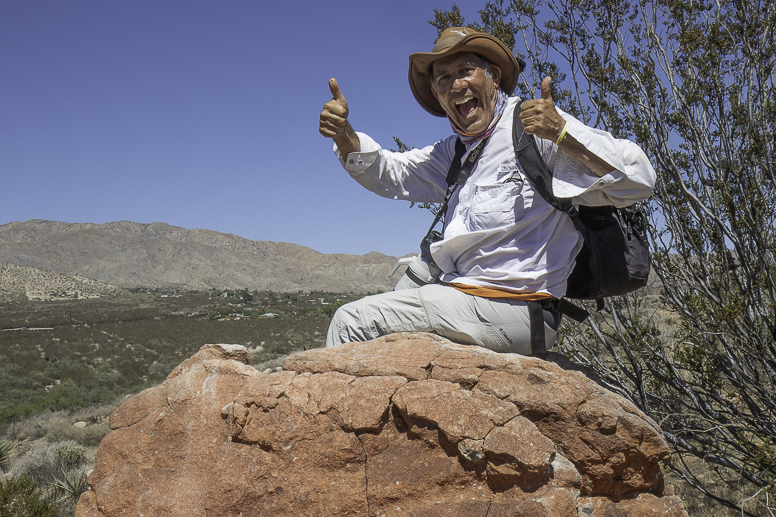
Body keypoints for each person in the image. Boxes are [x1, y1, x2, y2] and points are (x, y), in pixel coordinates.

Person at [318, 27, 655, 355]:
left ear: (493, 76)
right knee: (413, 275)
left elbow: (638, 181)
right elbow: (392, 173)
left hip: (519, 309)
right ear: (437, 93)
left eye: (465, 70)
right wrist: (344, 134)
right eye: (444, 78)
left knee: (352, 321)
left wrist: (563, 134)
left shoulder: (535, 129)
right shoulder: (455, 152)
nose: (457, 84)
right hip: (467, 298)